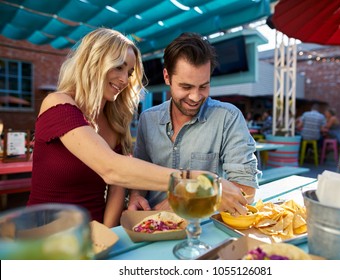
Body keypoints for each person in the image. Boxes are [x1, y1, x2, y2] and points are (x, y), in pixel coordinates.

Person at [27, 28, 248, 227]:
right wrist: (199, 181)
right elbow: (113, 169)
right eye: (118, 67)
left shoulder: (114, 120)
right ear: (92, 62)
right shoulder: (57, 103)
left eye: (130, 72)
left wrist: (108, 235)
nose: (124, 79)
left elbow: (117, 187)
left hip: (94, 236)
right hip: (46, 232)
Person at [127, 32, 260, 212]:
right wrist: (136, 196)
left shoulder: (227, 117)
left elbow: (246, 190)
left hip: (203, 230)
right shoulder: (148, 119)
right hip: (151, 224)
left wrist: (183, 202)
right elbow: (140, 174)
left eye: (203, 86)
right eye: (186, 87)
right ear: (167, 77)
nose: (196, 97)